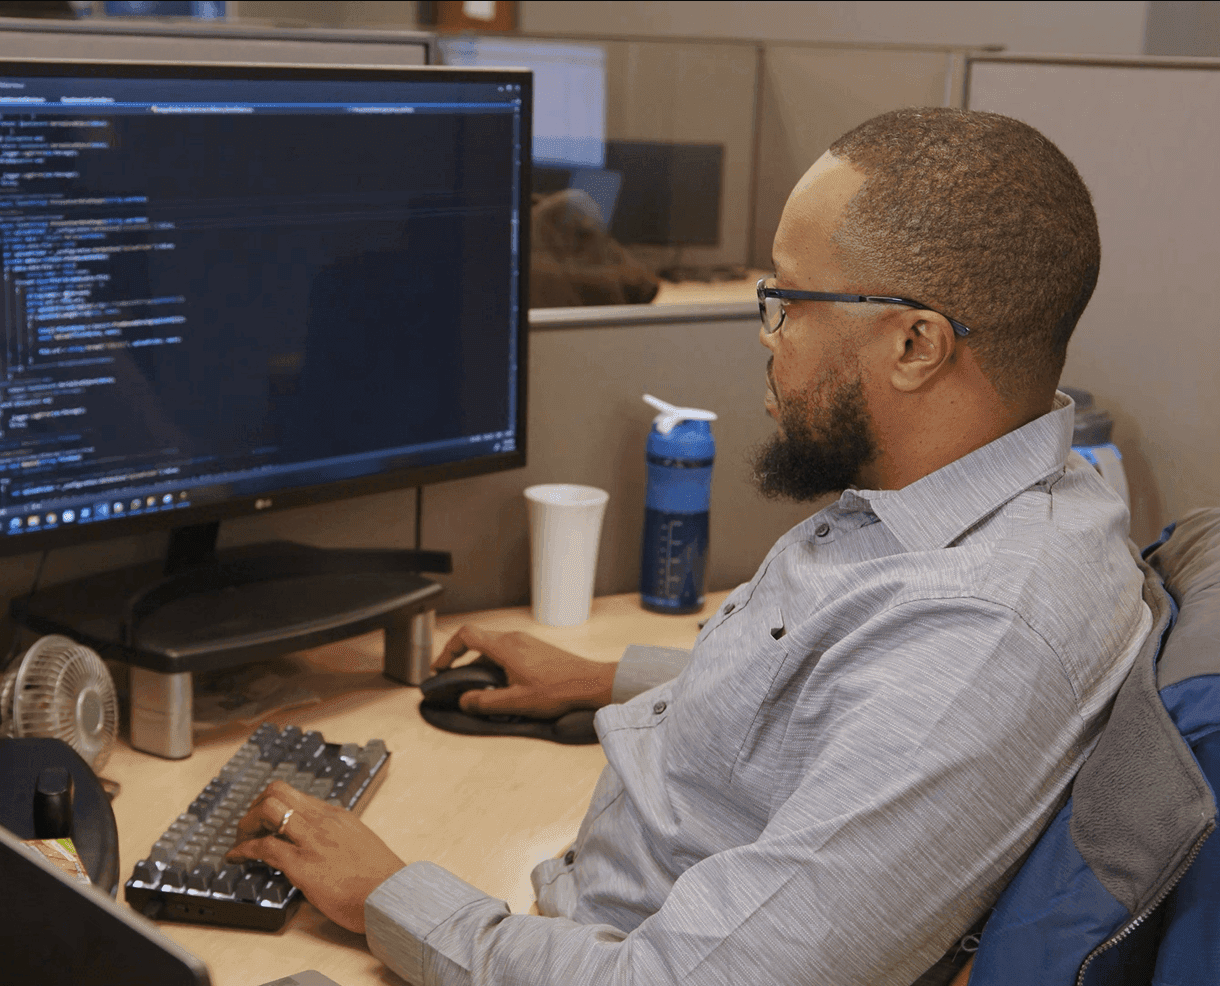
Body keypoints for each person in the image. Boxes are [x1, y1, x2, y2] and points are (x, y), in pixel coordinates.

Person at [226, 107, 1154, 985]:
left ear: (916, 345)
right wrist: (603, 678)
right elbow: (835, 701)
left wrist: (389, 897)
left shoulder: (978, 638)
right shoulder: (997, 500)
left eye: (786, 300)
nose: (767, 337)